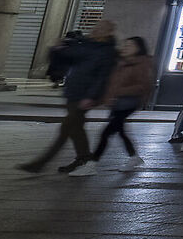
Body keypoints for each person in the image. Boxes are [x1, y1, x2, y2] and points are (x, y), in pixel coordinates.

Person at [22, 22, 116, 175]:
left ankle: (39, 164)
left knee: (66, 129)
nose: (96, 29)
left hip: (84, 95)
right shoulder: (87, 44)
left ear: (109, 32)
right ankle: (84, 158)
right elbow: (67, 57)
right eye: (96, 27)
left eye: (101, 28)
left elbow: (102, 77)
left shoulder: (107, 51)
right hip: (73, 92)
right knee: (76, 128)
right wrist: (56, 48)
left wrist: (91, 96)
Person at [92, 37, 156, 168]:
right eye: (125, 45)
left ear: (138, 48)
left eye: (130, 45)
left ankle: (92, 164)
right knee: (120, 130)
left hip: (129, 103)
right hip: (118, 103)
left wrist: (119, 92)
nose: (126, 47)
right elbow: (112, 83)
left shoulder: (142, 64)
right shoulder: (121, 63)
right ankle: (134, 157)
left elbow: (143, 86)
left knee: (106, 133)